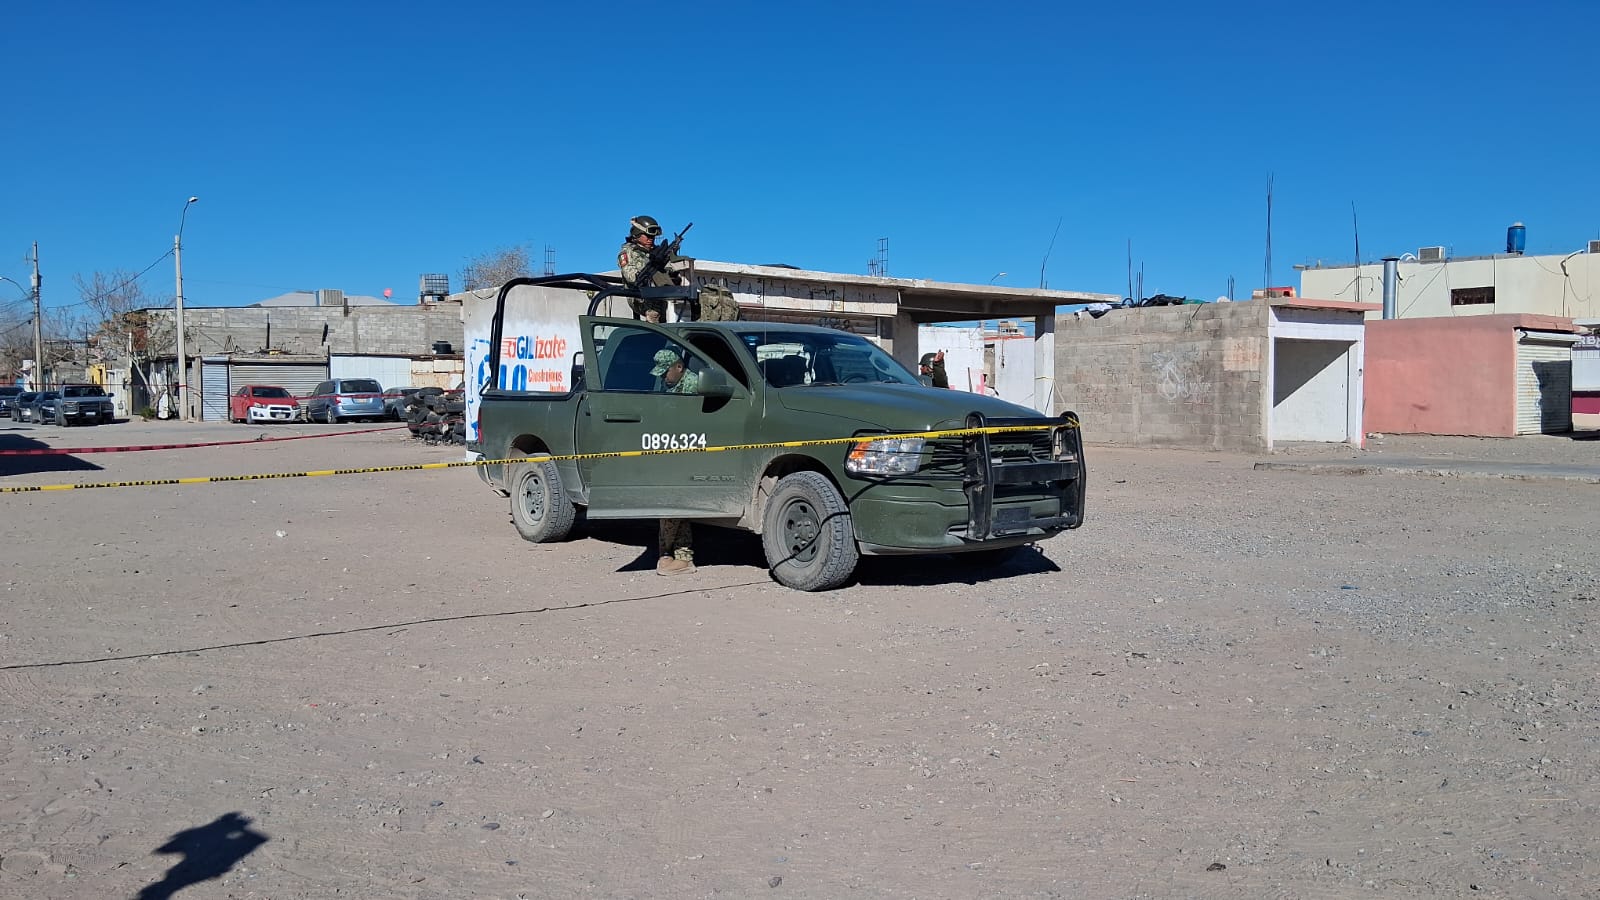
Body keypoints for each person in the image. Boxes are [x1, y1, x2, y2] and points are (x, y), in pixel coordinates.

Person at [649, 347, 698, 575]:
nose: (662, 377)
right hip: (669, 449)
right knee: (674, 507)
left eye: (665, 371)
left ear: (679, 367)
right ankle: (677, 556)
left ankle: (675, 554)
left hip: (685, 451)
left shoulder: (693, 385)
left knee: (672, 504)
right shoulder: (669, 383)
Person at [618, 214, 674, 323]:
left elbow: (669, 270)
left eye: (653, 237)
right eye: (647, 236)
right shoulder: (628, 253)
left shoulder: (656, 252)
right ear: (637, 234)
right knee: (654, 311)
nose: (651, 239)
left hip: (660, 294)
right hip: (638, 296)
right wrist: (651, 271)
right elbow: (631, 277)